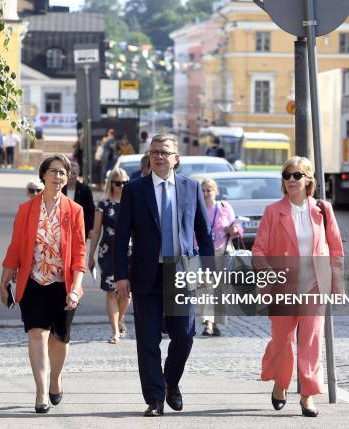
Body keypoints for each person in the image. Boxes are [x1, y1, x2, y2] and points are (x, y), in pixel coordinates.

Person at [114, 134, 214, 417]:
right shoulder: (134, 190)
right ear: (149, 156)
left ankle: (171, 382)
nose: (159, 156)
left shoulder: (191, 188)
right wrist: (121, 275)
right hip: (146, 274)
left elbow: (204, 233)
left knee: (184, 336)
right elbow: (121, 238)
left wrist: (207, 268)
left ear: (176, 158)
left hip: (182, 273)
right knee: (148, 340)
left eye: (164, 152)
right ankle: (155, 399)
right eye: (154, 152)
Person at [252, 156, 344, 418]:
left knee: (311, 342)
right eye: (287, 175)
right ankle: (280, 383)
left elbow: (336, 249)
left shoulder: (323, 210)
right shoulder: (273, 211)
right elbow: (259, 248)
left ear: (308, 180)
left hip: (315, 285)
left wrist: (337, 284)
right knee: (281, 341)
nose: (291, 179)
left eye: (297, 175)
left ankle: (307, 395)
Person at [0, 154, 86, 414]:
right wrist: (4, 281)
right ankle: (40, 393)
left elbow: (80, 252)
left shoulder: (75, 210)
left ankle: (55, 379)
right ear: (43, 174)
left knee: (60, 339)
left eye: (63, 172)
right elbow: (15, 248)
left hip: (63, 283)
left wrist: (75, 287)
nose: (59, 176)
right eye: (54, 171)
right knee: (37, 334)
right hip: (34, 281)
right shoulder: (26, 210)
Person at [88, 168, 131, 344]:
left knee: (127, 294)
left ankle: (119, 319)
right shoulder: (103, 205)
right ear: (111, 184)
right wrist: (90, 256)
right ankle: (115, 331)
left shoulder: (133, 203)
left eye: (125, 183)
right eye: (118, 183)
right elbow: (96, 231)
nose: (122, 186)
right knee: (111, 292)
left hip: (130, 252)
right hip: (108, 252)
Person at [198, 178, 243, 337]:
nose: (205, 193)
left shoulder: (225, 207)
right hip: (203, 253)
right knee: (205, 288)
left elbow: (237, 229)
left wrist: (234, 229)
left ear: (215, 191)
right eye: (202, 190)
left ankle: (215, 324)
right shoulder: (197, 208)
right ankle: (208, 324)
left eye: (208, 190)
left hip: (223, 251)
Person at [61, 160, 95, 240]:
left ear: (78, 174)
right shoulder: (60, 188)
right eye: (69, 173)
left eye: (74, 173)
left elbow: (90, 210)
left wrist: (91, 228)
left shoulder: (85, 189)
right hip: (61, 227)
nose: (71, 176)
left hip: (80, 227)